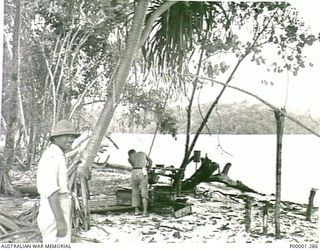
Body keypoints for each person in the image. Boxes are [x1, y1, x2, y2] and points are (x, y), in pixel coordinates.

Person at [36, 120, 80, 243]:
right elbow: (51, 191)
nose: (71, 139)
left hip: (59, 208)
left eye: (72, 136)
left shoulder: (59, 155)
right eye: (66, 136)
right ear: (55, 138)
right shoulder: (51, 156)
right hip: (54, 211)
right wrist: (60, 220)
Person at [128, 149, 152, 216]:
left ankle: (136, 211)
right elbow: (150, 161)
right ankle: (145, 212)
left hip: (134, 171)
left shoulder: (129, 158)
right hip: (142, 170)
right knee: (144, 191)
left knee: (135, 191)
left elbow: (133, 165)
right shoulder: (143, 153)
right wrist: (148, 168)